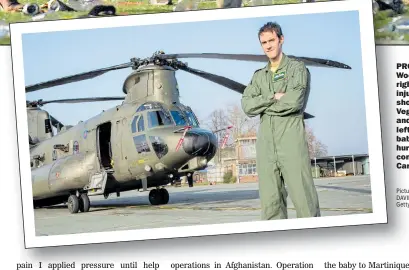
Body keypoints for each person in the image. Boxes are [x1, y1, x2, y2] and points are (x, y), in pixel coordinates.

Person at [241, 22, 320, 220]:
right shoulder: (259, 76)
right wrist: (272, 97)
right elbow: (247, 106)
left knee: (305, 203)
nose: (268, 46)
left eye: (271, 40)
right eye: (263, 42)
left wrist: (264, 104)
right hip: (266, 147)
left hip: (291, 143)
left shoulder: (297, 68)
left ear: (281, 39)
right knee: (270, 205)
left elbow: (294, 102)